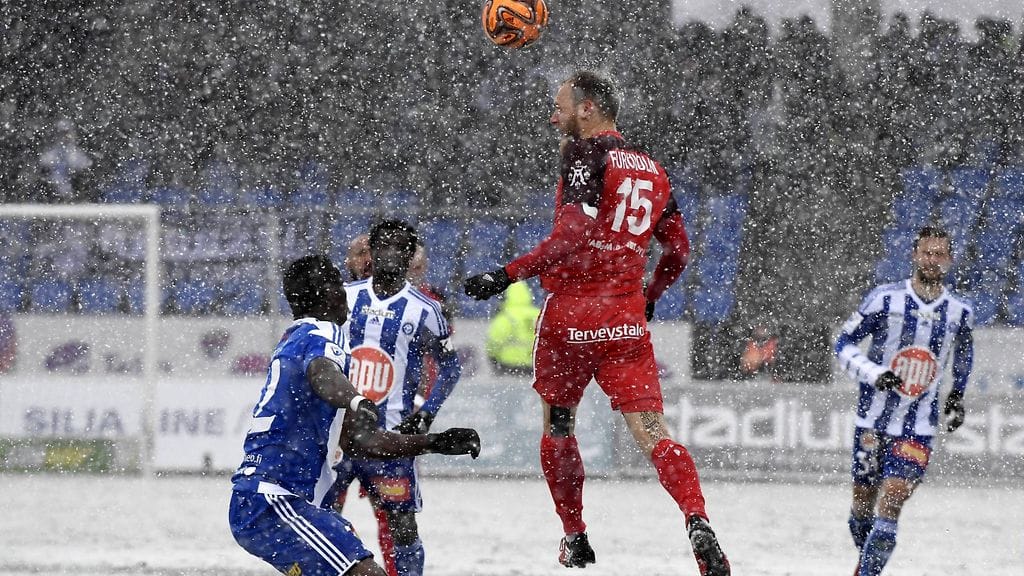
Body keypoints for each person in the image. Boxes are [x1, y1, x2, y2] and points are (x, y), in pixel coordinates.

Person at [463, 70, 730, 576]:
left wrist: (505, 274)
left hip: (571, 314)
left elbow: (569, 239)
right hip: (625, 318)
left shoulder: (586, 154)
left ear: (588, 109)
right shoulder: (653, 170)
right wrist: (650, 295)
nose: (553, 114)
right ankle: (696, 516)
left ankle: (575, 534)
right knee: (654, 432)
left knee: (560, 425)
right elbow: (679, 249)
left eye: (560, 105)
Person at [229, 255, 479, 576]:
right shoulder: (322, 332)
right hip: (277, 500)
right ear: (324, 294)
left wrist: (433, 442)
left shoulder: (296, 339)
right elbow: (324, 373)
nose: (344, 291)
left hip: (261, 502)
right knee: (364, 569)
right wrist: (358, 399)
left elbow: (362, 441)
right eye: (336, 283)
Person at [835, 226, 973, 576]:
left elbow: (963, 358)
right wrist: (873, 372)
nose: (932, 260)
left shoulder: (959, 312)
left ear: (950, 260)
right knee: (862, 507)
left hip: (918, 426)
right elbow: (843, 344)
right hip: (873, 422)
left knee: (893, 496)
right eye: (927, 252)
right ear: (914, 255)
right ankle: (866, 566)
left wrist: (957, 396)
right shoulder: (884, 299)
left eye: (940, 254)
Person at [332, 220, 462, 576]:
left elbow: (450, 369)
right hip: (336, 438)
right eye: (383, 246)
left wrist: (426, 415)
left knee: (403, 527)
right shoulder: (345, 296)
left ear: (410, 256)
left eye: (399, 247)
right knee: (322, 520)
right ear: (372, 252)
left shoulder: (426, 309)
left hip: (388, 439)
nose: (390, 253)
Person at [485, 281, 540, 376]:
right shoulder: (539, 314)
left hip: (508, 367)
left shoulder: (505, 317)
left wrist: (494, 360)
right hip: (535, 368)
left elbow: (493, 344)